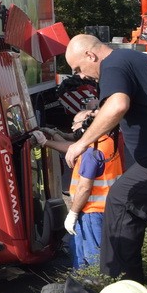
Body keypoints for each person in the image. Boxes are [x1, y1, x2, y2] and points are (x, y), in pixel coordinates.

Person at [63, 34, 147, 281]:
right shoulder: (134, 58)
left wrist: (81, 143)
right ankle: (120, 288)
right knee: (121, 200)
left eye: (78, 68)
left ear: (90, 55)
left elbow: (117, 105)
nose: (80, 76)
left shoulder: (112, 64)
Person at [34, 108, 123, 270]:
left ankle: (91, 290)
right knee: (86, 254)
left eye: (75, 124)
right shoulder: (106, 141)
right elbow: (72, 145)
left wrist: (73, 214)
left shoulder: (91, 152)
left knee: (92, 259)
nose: (73, 128)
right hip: (106, 210)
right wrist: (51, 137)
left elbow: (84, 188)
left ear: (87, 127)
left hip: (91, 212)